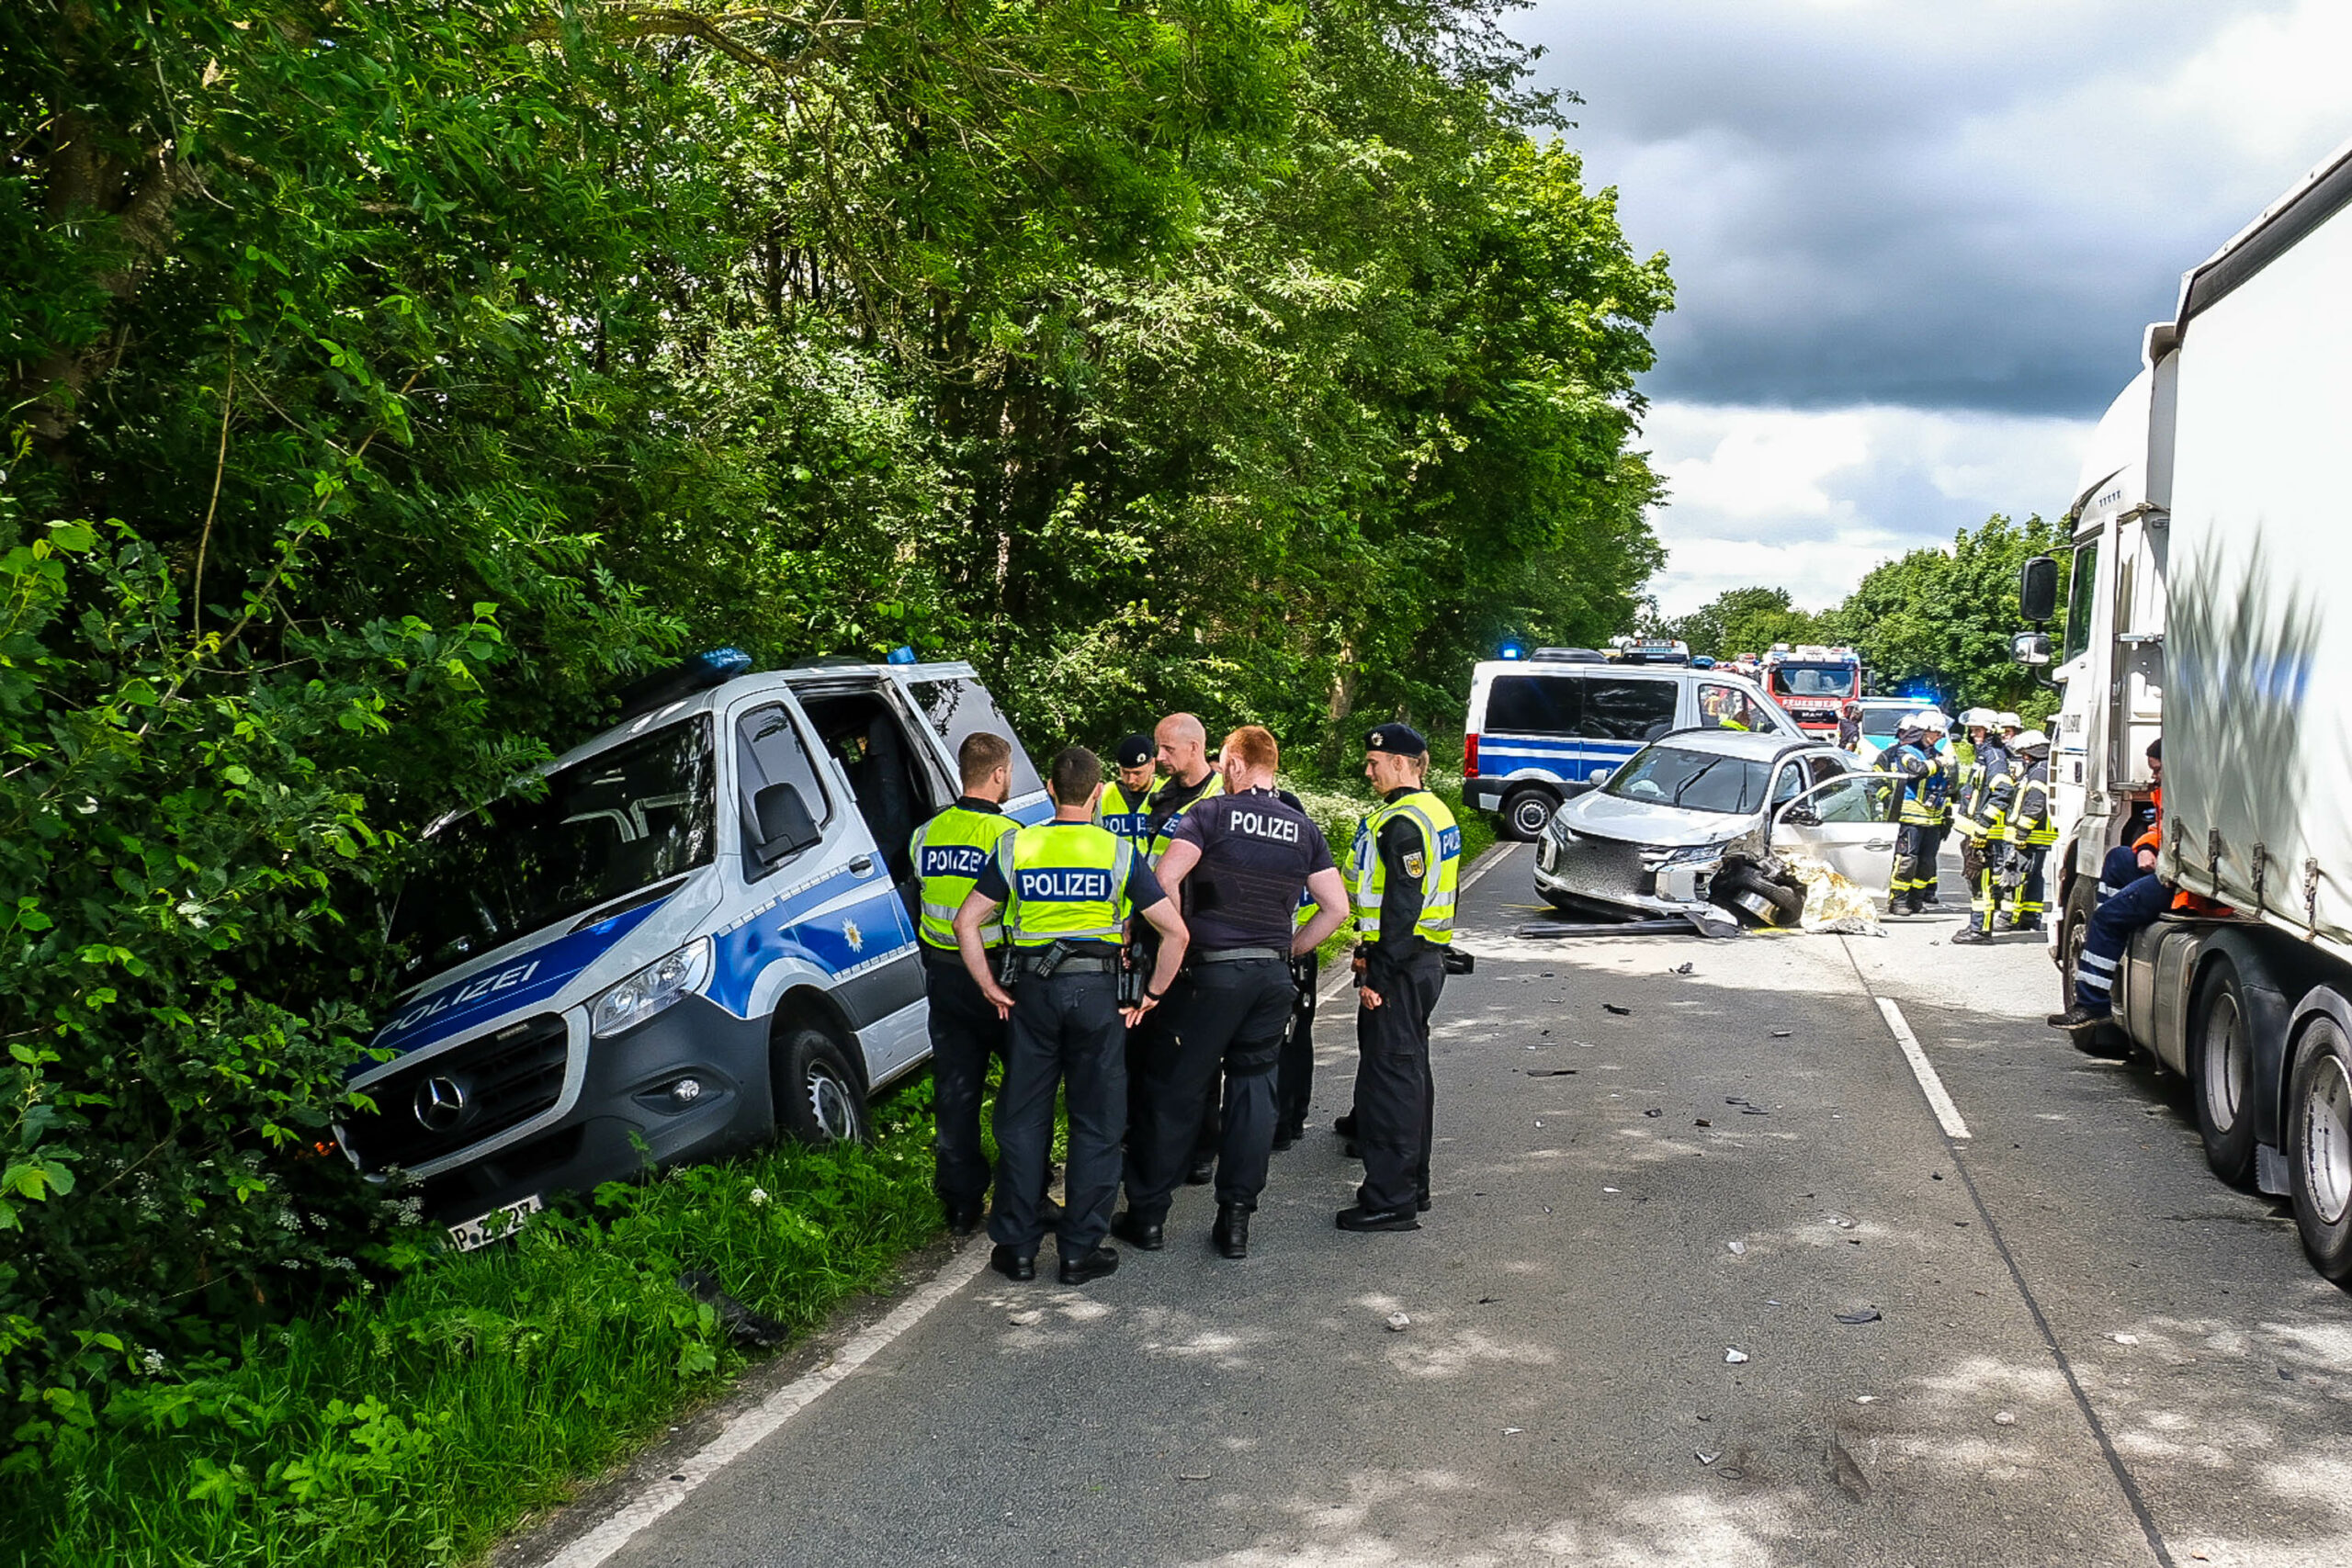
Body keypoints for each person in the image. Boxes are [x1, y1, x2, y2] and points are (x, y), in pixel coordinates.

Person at [955, 747, 1188, 1286]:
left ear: (1053, 791)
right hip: (1100, 995)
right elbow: (1176, 932)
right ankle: (1080, 1251)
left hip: (1032, 994)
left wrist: (988, 985)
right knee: (1098, 1121)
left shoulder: (1019, 843)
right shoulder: (1117, 851)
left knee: (1022, 1119)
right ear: (1096, 791)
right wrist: (1151, 993)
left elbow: (968, 922)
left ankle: (1015, 1248)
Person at [1114, 727, 1350, 1258]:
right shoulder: (1302, 827)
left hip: (1209, 976)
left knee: (1174, 1091)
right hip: (1269, 980)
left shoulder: (1210, 815)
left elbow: (1163, 877)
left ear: (1238, 765)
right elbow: (1336, 908)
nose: (1220, 773)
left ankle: (1148, 1217)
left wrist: (1178, 935)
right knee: (1252, 1096)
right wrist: (1287, 950)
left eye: (1224, 764)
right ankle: (1236, 1220)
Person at [1337, 724, 1460, 1233]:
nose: (1369, 771)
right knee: (1410, 1074)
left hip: (1402, 967)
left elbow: (1402, 906)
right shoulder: (1434, 811)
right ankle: (1415, 1185)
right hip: (1421, 961)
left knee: (1391, 1082)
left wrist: (1378, 974)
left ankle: (1390, 1199)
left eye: (1375, 762)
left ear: (1405, 762)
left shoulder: (1404, 822)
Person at [909, 733, 1022, 1233]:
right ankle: (1023, 1191)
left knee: (956, 1090)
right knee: (1022, 1087)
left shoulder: (924, 834)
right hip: (999, 976)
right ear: (999, 774)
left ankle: (960, 1203)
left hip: (945, 978)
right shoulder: (1009, 836)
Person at [1140, 713, 1229, 1183]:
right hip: (1160, 939)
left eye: (1168, 749)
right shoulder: (1164, 797)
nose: (1159, 758)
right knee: (1161, 1051)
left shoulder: (1223, 799)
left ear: (1195, 748)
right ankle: (1160, 1144)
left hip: (1202, 940)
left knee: (1200, 1053)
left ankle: (1202, 1146)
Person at [1885, 717, 1947, 916]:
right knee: (1907, 861)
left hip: (1934, 818)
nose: (1938, 737)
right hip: (1911, 817)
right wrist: (1938, 763)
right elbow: (1916, 771)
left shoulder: (1937, 754)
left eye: (1939, 734)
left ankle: (1917, 900)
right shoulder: (1905, 752)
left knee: (1927, 863)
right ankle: (1899, 901)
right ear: (1922, 732)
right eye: (1935, 733)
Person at [1951, 708, 2007, 908]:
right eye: (1973, 731)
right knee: (1975, 880)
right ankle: (1978, 928)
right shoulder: (1983, 755)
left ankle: (1980, 931)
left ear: (1990, 731)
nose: (1974, 735)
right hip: (1974, 831)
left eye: (1978, 730)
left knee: (1981, 882)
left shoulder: (1994, 757)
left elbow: (2003, 792)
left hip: (1982, 833)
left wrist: (1983, 824)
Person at [2001, 729, 2055, 932]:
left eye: (2024, 753)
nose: (2023, 757)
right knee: (2033, 876)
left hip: (2029, 835)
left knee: (2016, 873)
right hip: (2036, 835)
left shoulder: (2038, 770)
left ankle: (2008, 917)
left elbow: (2035, 805)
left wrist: (2021, 833)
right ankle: (2029, 917)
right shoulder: (2041, 767)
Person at [1094, 733, 1159, 853]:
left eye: (1138, 773)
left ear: (1152, 765)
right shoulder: (1104, 794)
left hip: (1156, 871)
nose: (1131, 780)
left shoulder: (1168, 792)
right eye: (1125, 772)